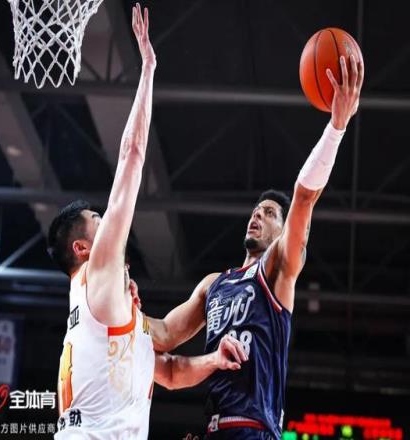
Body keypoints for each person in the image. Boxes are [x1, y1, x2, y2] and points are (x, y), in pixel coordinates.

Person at [47, 5, 247, 440]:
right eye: (97, 219)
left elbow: (170, 368)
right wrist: (148, 70)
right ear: (82, 248)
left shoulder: (110, 313)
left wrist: (214, 358)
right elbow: (132, 155)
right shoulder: (97, 273)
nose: (107, 221)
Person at [149, 54, 364, 439]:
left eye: (268, 213)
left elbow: (304, 197)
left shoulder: (277, 270)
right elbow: (163, 334)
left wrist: (336, 127)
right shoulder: (213, 284)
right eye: (255, 211)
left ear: (282, 230)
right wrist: (115, 315)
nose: (257, 216)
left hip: (255, 428)